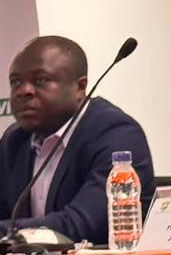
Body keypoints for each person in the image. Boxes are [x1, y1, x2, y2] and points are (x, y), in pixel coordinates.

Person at [0, 36, 154, 243]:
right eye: (16, 82)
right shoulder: (14, 140)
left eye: (40, 80)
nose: (23, 91)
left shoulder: (117, 134)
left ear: (80, 88)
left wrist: (10, 234)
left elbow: (82, 224)